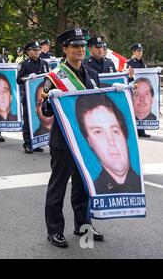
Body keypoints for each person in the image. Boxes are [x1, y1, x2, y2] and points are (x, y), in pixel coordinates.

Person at [42, 28, 104, 248]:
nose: (80, 50)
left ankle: (83, 224)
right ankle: (55, 230)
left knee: (84, 184)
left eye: (82, 46)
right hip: (64, 140)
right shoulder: (55, 77)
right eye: (75, 46)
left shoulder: (92, 75)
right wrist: (50, 100)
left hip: (86, 140)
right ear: (65, 49)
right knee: (58, 185)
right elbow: (46, 110)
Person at [75, 94, 142, 194]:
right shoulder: (91, 191)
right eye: (98, 132)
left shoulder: (139, 184)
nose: (111, 142)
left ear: (124, 134)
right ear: (89, 141)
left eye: (115, 131)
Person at [17, 41, 49, 153]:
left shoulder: (44, 63)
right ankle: (27, 143)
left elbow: (48, 79)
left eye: (38, 50)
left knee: (38, 118)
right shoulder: (24, 64)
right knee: (28, 118)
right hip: (29, 96)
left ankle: (37, 142)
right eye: (34, 50)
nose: (37, 52)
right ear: (28, 52)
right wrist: (27, 77)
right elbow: (18, 80)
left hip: (42, 96)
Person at [125, 43, 150, 138]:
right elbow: (126, 76)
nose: (140, 53)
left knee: (142, 109)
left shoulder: (143, 63)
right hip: (133, 89)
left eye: (141, 51)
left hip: (143, 90)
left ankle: (142, 130)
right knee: (134, 110)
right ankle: (135, 130)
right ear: (133, 52)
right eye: (138, 51)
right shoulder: (129, 63)